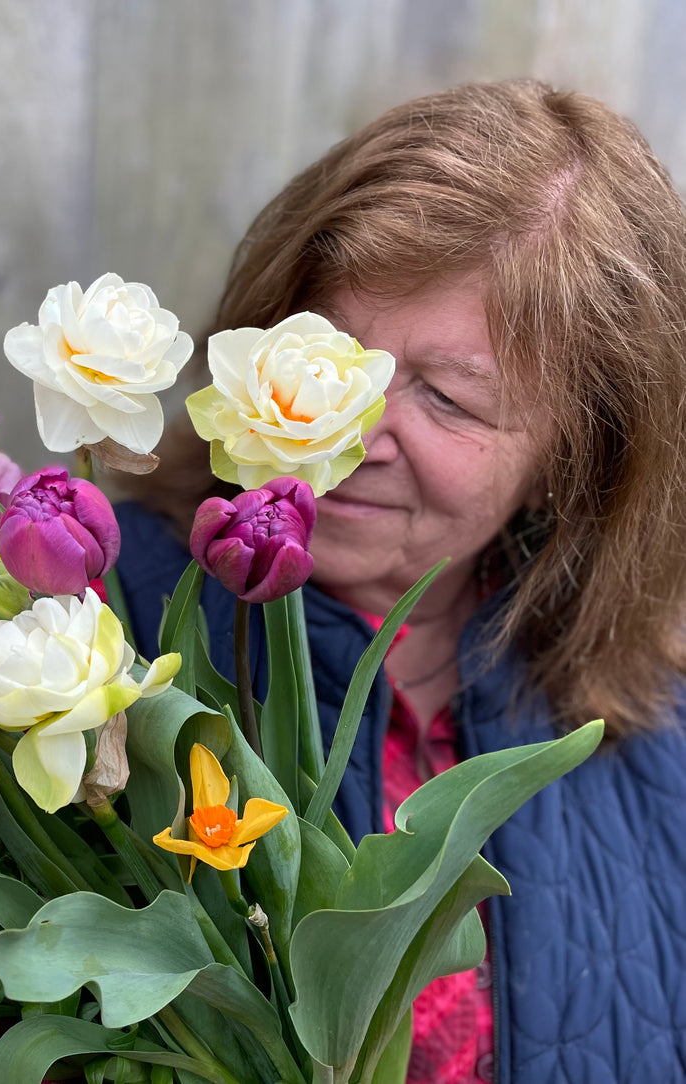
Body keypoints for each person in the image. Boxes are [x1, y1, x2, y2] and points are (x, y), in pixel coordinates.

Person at [115, 79, 686, 1084]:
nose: (347, 433)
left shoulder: (656, 719)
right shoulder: (80, 645)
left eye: (446, 394)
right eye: (328, 353)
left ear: (578, 449)